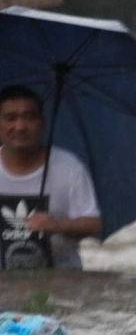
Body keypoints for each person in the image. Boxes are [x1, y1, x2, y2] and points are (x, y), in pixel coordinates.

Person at [0, 84, 101, 269]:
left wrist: (57, 225)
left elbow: (93, 223)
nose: (20, 126)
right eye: (10, 118)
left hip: (61, 278)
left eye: (29, 117)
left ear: (42, 124)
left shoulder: (69, 167)